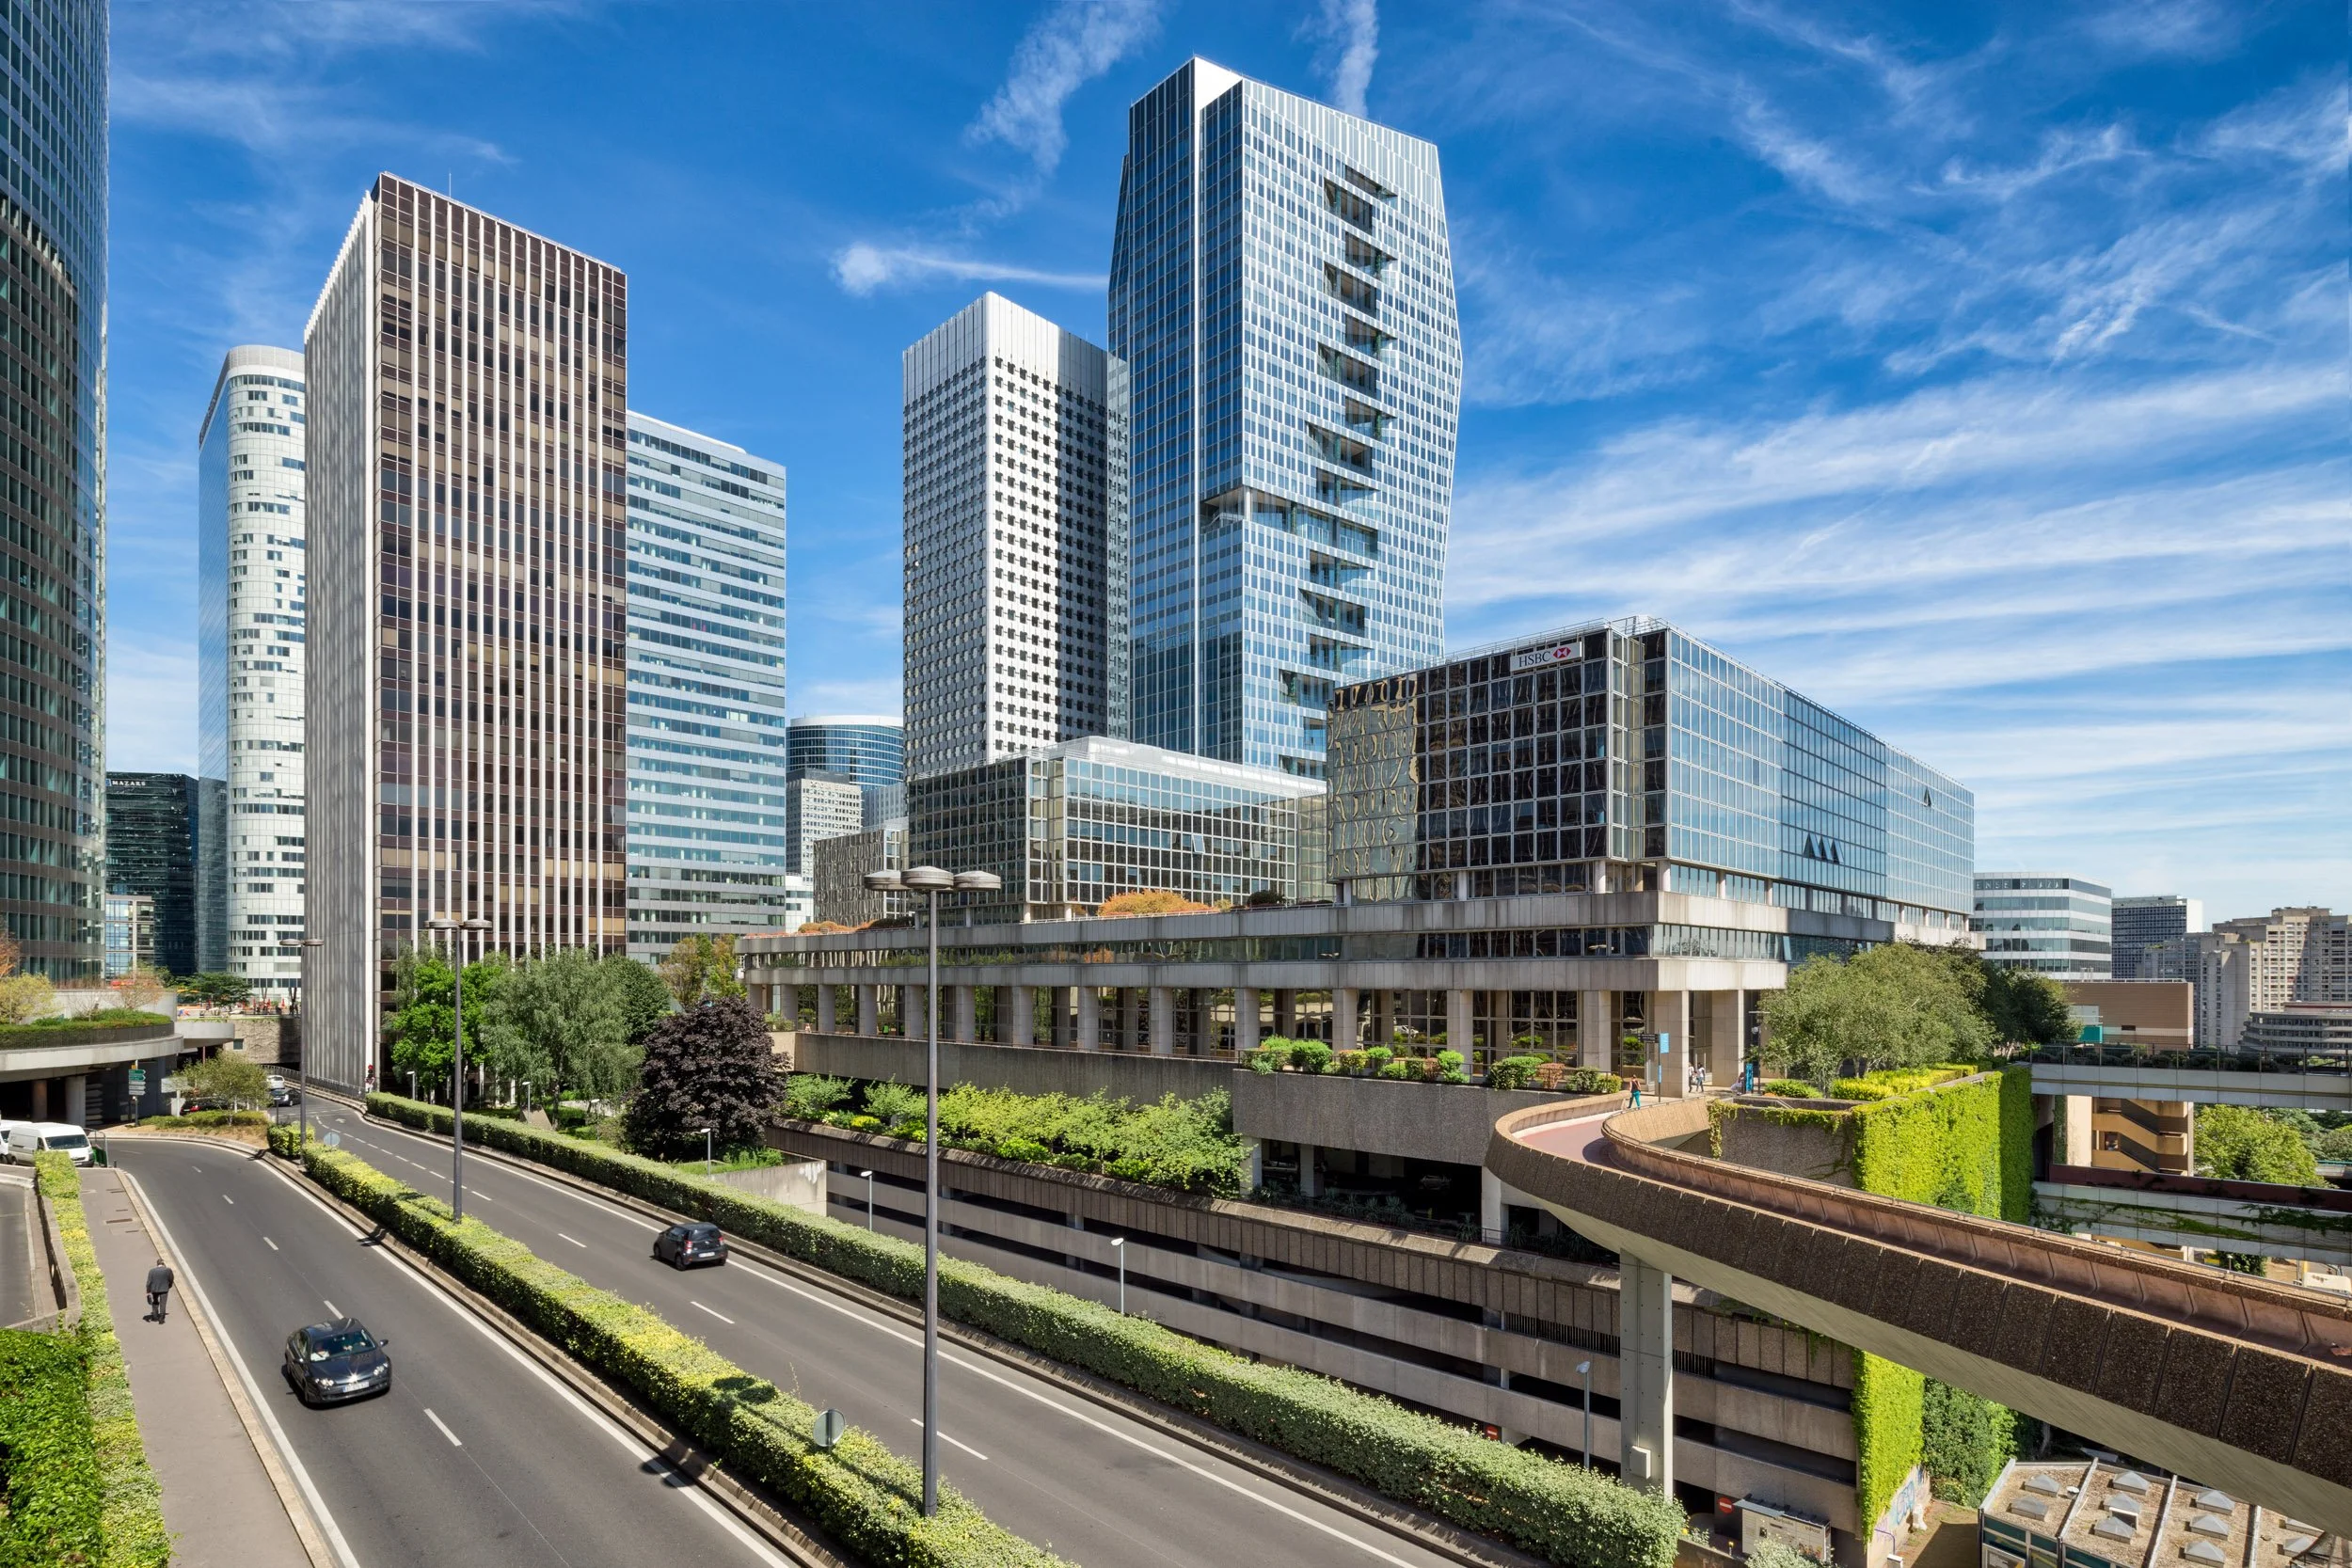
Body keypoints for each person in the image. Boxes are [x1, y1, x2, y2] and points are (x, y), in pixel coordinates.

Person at [145, 1259, 174, 1323]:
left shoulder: (152, 1271)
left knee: (155, 1302)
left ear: (157, 1264)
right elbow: (171, 1279)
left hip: (154, 1290)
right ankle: (161, 1318)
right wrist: (169, 1285)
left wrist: (148, 1291)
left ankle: (155, 1317)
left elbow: (149, 1282)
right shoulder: (168, 1270)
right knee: (163, 1303)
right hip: (164, 1289)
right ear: (163, 1264)